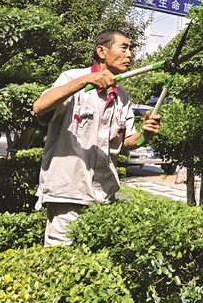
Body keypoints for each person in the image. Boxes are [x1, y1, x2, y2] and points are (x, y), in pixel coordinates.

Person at [32, 29, 161, 246]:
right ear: (102, 51)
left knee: (96, 261)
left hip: (104, 195)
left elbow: (128, 141)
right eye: (124, 48)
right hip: (68, 193)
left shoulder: (122, 96)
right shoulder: (71, 78)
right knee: (61, 258)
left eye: (131, 49)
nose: (130, 54)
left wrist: (145, 134)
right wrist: (86, 80)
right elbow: (39, 107)